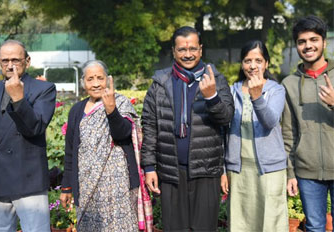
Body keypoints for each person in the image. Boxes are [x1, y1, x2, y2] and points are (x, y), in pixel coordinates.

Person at [141, 26, 234, 231]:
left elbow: (226, 118)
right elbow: (149, 125)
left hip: (206, 170)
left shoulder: (215, 80)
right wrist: (149, 167)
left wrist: (212, 97)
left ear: (201, 49)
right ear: (174, 51)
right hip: (171, 171)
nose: (188, 54)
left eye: (193, 48)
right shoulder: (160, 83)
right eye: (182, 50)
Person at [60, 60, 150, 232]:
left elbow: (123, 135)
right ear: (83, 83)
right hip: (87, 187)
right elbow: (71, 151)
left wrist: (111, 110)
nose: (95, 84)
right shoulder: (76, 110)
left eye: (100, 78)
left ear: (108, 80)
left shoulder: (121, 102)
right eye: (90, 79)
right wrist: (66, 187)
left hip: (119, 187)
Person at [221, 40, 288, 231]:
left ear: (266, 63)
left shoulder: (275, 90)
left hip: (269, 170)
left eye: (258, 60)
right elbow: (222, 132)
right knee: (241, 223)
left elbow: (270, 121)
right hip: (239, 170)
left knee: (270, 223)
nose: (252, 66)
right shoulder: (232, 91)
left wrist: (257, 96)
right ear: (241, 64)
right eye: (247, 60)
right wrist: (223, 170)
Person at [0, 40, 56, 232]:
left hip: (29, 179)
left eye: (15, 60)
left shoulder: (43, 89)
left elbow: (35, 127)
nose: (10, 65)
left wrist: (19, 99)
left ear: (27, 61)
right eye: (5, 61)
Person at [282, 15, 334, 231]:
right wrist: (290, 173)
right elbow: (288, 132)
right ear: (296, 46)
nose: (308, 46)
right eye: (302, 42)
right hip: (307, 173)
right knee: (314, 227)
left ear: (324, 42)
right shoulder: (289, 84)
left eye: (313, 39)